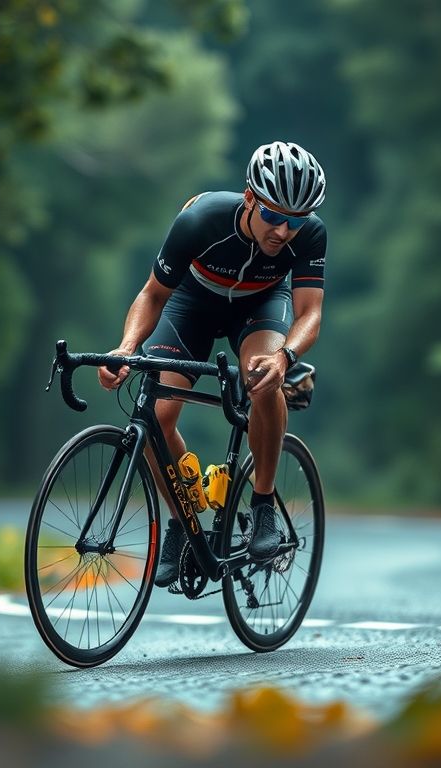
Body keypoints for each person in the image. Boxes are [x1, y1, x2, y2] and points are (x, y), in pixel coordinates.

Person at [97, 140, 328, 587]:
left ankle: (262, 507)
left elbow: (309, 314)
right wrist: (126, 348)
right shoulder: (200, 220)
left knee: (263, 378)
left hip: (260, 306)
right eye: (275, 215)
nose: (284, 230)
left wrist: (284, 358)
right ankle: (183, 524)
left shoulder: (311, 235)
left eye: (296, 220)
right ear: (249, 198)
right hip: (192, 303)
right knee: (157, 417)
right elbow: (153, 294)